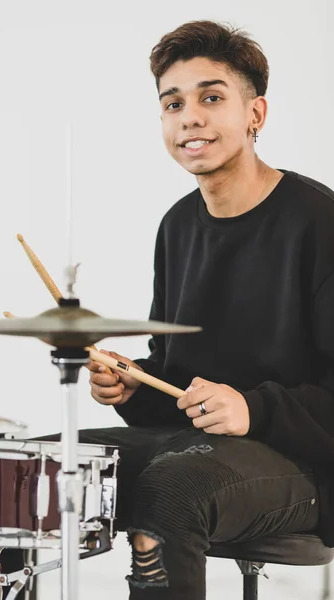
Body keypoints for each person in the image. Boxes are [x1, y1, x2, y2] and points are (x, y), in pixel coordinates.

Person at [81, 18, 334, 599]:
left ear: (255, 114)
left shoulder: (318, 223)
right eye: (173, 103)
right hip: (197, 448)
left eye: (211, 98)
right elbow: (174, 381)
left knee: (171, 489)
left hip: (304, 464)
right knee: (21, 470)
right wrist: (133, 387)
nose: (189, 116)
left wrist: (254, 410)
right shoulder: (176, 227)